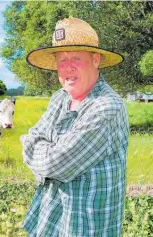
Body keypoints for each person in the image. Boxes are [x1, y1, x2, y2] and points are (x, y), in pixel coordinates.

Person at [21, 17, 129, 236]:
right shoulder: (60, 98)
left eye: (75, 58)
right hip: (50, 221)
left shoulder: (106, 108)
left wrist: (38, 153)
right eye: (61, 60)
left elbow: (56, 164)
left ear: (96, 60)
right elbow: (31, 139)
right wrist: (38, 148)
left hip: (85, 227)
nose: (67, 67)